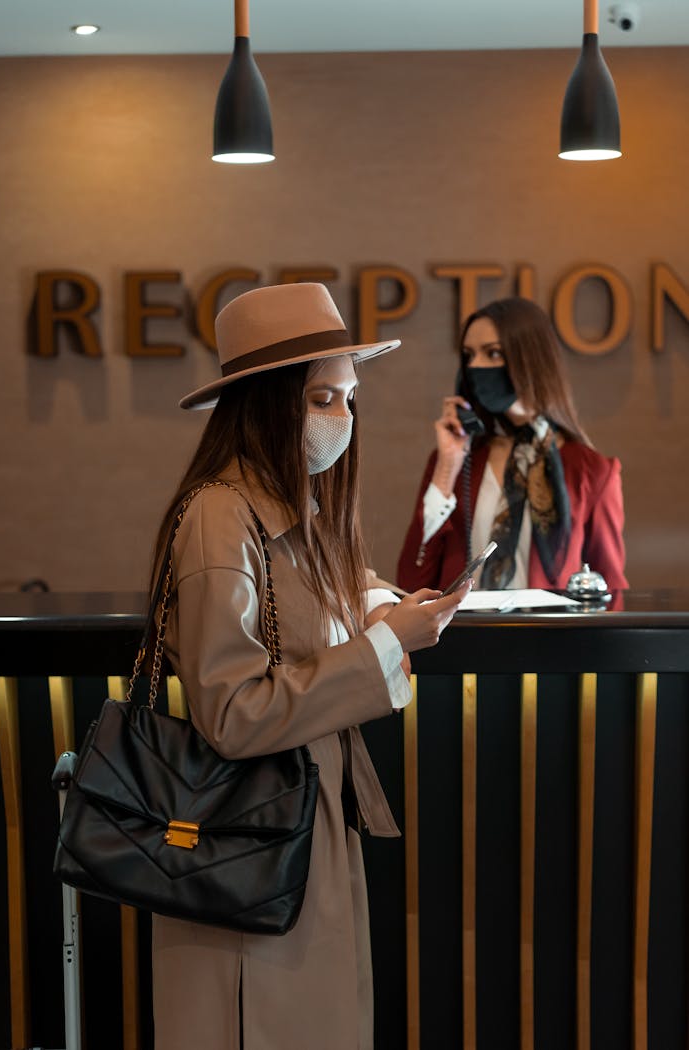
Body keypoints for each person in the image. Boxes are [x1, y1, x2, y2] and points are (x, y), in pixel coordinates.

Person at [149, 282, 471, 1050]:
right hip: (249, 834)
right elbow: (231, 712)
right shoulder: (221, 515)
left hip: (301, 823)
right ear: (264, 402)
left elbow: (300, 613)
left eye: (349, 398)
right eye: (323, 396)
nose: (341, 419)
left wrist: (377, 607)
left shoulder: (290, 507)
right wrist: (388, 645)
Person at [397, 297, 628, 594]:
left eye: (492, 353)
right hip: (465, 635)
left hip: (548, 638)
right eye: (469, 355)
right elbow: (412, 582)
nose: (475, 366)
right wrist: (446, 469)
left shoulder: (591, 471)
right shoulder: (460, 460)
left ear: (531, 360)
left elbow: (609, 590)